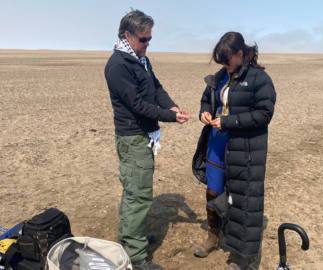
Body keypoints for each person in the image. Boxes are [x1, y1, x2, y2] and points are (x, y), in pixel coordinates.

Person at [104, 10, 189, 270]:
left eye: (150, 39)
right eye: (143, 40)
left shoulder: (140, 59)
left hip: (143, 137)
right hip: (133, 137)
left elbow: (156, 87)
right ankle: (136, 256)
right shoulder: (118, 66)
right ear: (127, 35)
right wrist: (169, 117)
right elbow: (138, 105)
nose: (147, 44)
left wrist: (171, 106)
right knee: (138, 196)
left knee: (136, 193)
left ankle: (132, 239)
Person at [192, 32, 276, 270]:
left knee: (244, 200)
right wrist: (204, 112)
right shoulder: (220, 77)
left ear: (241, 54)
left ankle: (244, 257)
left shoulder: (260, 79)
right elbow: (207, 99)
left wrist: (228, 122)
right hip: (217, 145)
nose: (225, 67)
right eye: (222, 63)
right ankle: (214, 236)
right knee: (213, 191)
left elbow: (264, 115)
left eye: (228, 62)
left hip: (244, 149)